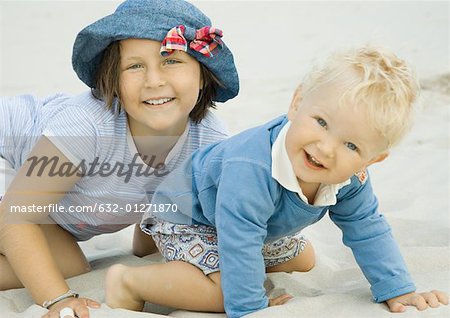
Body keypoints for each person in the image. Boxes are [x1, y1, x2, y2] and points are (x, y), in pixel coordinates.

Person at [105, 46, 449, 317]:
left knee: (305, 259)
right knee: (227, 292)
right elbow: (239, 238)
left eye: (351, 145)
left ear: (372, 160)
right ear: (297, 102)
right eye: (321, 122)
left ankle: (151, 243)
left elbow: (367, 227)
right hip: (189, 217)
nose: (325, 148)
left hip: (248, 223)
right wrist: (251, 308)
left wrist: (397, 288)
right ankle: (131, 281)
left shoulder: (352, 178)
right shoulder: (251, 166)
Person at [0, 0, 239, 317]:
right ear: (112, 78)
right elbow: (17, 215)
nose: (154, 81)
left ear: (203, 73)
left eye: (171, 61)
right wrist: (57, 300)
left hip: (47, 216)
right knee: (48, 274)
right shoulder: (87, 127)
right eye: (135, 66)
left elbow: (154, 233)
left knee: (69, 264)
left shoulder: (206, 140)